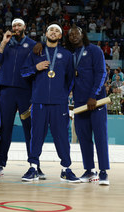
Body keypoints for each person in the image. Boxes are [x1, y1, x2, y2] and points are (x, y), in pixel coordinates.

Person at [20, 23, 79, 182]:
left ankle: (66, 169)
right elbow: (24, 72)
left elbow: (70, 80)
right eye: (51, 30)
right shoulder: (36, 52)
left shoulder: (66, 55)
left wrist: (61, 95)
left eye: (57, 31)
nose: (53, 32)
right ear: (46, 33)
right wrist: (36, 67)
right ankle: (33, 167)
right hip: (39, 101)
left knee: (61, 136)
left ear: (60, 36)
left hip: (59, 103)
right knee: (37, 135)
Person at [0, 18, 40, 178]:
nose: (16, 28)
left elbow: (38, 69)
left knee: (30, 129)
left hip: (26, 92)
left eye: (19, 25)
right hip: (7, 92)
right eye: (13, 26)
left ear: (25, 27)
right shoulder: (6, 44)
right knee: (5, 129)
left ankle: (34, 165)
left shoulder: (33, 45)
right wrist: (3, 43)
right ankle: (0, 164)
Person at [67, 26, 110, 185]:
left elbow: (101, 73)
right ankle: (89, 170)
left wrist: (93, 96)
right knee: (83, 138)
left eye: (76, 33)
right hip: (79, 104)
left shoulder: (95, 50)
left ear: (82, 34)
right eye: (70, 34)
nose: (73, 36)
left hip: (96, 102)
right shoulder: (70, 54)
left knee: (100, 137)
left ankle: (104, 172)